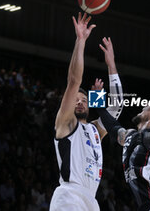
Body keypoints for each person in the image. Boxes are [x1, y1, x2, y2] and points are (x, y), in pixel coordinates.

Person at [50, 12, 123, 211]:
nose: (80, 102)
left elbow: (116, 108)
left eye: (84, 100)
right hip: (69, 196)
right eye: (76, 100)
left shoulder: (94, 131)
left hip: (91, 200)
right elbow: (74, 81)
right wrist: (80, 40)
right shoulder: (65, 123)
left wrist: (111, 66)